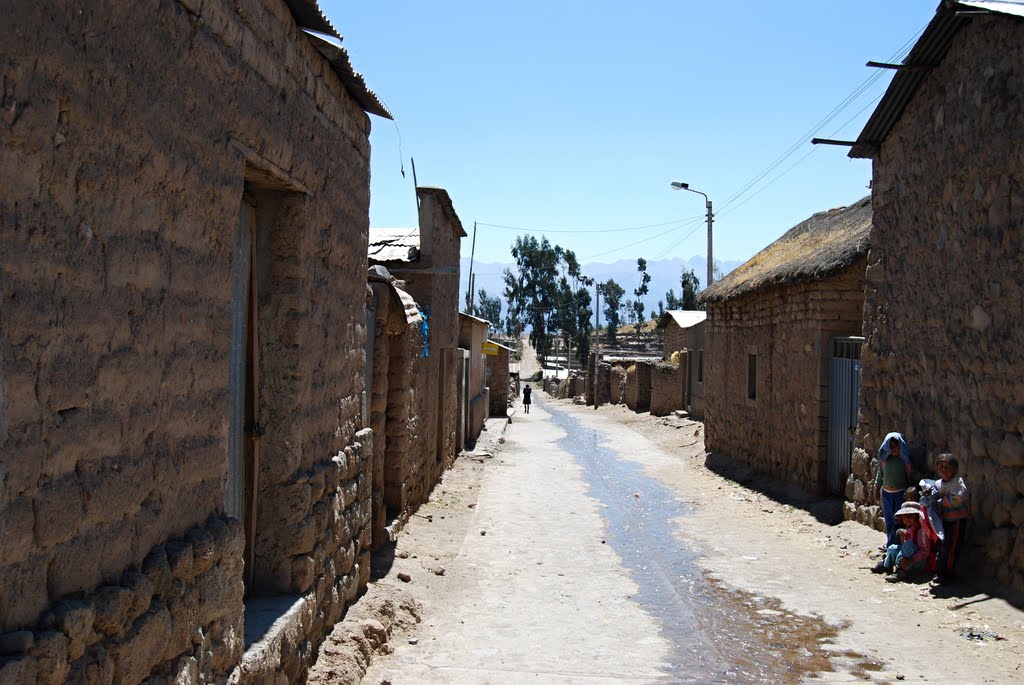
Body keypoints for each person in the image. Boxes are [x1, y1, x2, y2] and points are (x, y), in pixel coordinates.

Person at [871, 501, 932, 582]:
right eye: (904, 517)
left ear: (917, 516)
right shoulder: (909, 529)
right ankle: (887, 565)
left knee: (908, 545)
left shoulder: (921, 531)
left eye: (910, 516)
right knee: (893, 548)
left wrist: (911, 560)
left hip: (919, 562)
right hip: (910, 560)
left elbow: (925, 551)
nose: (907, 519)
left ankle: (902, 571)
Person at [931, 453, 969, 582]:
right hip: (943, 521)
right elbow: (933, 494)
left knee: (951, 547)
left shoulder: (957, 482)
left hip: (956, 520)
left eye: (948, 467)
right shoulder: (937, 483)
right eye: (941, 466)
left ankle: (948, 573)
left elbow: (957, 499)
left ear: (955, 469)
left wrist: (940, 502)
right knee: (943, 546)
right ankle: (941, 572)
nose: (944, 469)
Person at [875, 432, 913, 548]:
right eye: (891, 447)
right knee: (889, 520)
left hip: (900, 494)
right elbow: (880, 475)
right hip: (886, 494)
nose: (894, 449)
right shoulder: (885, 460)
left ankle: (898, 544)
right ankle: (890, 543)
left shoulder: (904, 461)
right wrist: (876, 488)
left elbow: (909, 476)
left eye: (897, 446)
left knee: (899, 520)